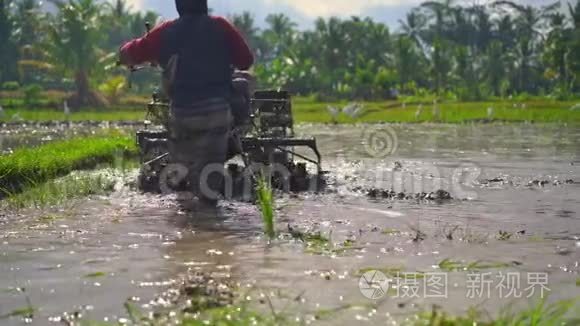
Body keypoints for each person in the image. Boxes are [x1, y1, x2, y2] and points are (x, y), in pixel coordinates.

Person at [119, 0, 254, 208]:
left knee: (184, 185)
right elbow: (246, 60)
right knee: (209, 191)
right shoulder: (220, 25)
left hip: (183, 115)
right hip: (216, 113)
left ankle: (189, 225)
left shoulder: (165, 31)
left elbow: (131, 52)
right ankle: (211, 226)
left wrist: (125, 52)